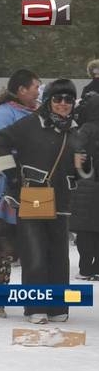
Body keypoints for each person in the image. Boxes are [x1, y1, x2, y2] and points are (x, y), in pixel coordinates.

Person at [0, 79, 79, 324]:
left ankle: (58, 307)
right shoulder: (30, 124)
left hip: (62, 202)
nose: (63, 104)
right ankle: (35, 307)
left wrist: (85, 169)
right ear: (49, 101)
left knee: (59, 256)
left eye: (68, 100)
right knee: (35, 254)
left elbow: (86, 165)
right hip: (33, 198)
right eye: (58, 99)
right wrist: (11, 174)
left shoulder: (76, 130)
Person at [0, 69, 40, 318]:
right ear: (22, 89)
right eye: (35, 86)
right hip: (3, 190)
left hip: (32, 190)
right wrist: (13, 174)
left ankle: (37, 302)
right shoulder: (4, 114)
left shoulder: (36, 115)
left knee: (32, 245)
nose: (39, 91)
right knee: (2, 246)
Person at [69, 94, 99, 280]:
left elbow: (74, 153)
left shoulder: (86, 130)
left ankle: (86, 268)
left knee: (86, 231)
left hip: (86, 186)